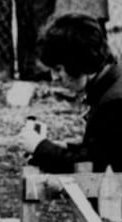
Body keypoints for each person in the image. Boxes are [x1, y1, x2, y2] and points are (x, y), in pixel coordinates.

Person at [17, 11, 122, 173]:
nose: (54, 78)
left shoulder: (113, 103)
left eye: (58, 69)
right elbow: (104, 148)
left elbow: (93, 167)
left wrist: (41, 148)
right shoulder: (112, 83)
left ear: (78, 62)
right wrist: (65, 148)